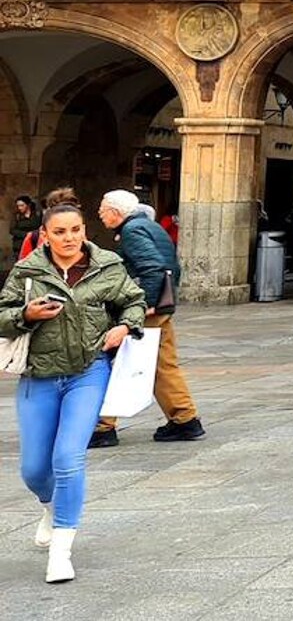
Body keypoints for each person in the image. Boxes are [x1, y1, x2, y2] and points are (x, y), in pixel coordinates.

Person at [0, 201, 148, 583]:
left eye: (76, 230)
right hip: (38, 376)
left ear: (85, 230)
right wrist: (26, 315)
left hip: (88, 372)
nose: (70, 238)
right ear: (45, 235)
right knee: (34, 469)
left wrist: (125, 327)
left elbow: (135, 300)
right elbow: (3, 315)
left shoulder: (107, 266)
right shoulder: (28, 270)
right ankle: (49, 507)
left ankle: (61, 551)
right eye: (60, 232)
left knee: (68, 458)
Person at [91, 190, 202, 448]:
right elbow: (173, 266)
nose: (99, 213)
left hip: (145, 309)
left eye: (103, 208)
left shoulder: (132, 231)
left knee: (115, 360)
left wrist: (146, 306)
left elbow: (152, 267)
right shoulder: (148, 226)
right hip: (162, 306)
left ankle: (102, 427)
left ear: (116, 213)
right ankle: (185, 419)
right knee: (163, 364)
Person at [10, 195, 39, 264]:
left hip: (34, 244)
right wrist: (26, 234)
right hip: (19, 245)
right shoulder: (17, 216)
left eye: (22, 205)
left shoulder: (37, 215)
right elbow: (12, 230)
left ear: (28, 205)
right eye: (18, 206)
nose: (19, 208)